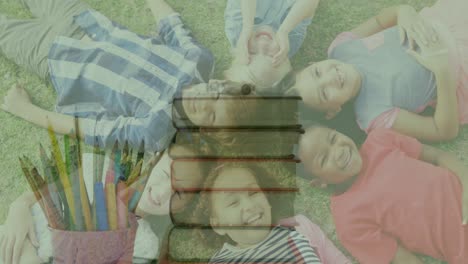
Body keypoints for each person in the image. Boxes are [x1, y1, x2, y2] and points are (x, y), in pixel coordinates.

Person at [0, 0, 257, 152]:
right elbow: (172, 25)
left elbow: (91, 130)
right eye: (216, 95)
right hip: (85, 21)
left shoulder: (155, 130)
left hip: (55, 59)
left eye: (211, 115)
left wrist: (24, 110)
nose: (204, 102)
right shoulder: (199, 61)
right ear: (219, 82)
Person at [288, 0, 468, 142]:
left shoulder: (341, 48)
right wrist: (442, 69)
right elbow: (443, 130)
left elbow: (380, 20)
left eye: (317, 72)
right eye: (324, 93)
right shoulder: (374, 115)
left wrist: (404, 12)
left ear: (314, 62)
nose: (330, 78)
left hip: (449, 17)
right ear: (332, 111)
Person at [0, 145, 203, 264]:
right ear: (153, 162)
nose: (162, 192)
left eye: (180, 193)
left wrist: (27, 253)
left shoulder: (144, 247)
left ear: (182, 208)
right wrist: (17, 208)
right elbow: (34, 196)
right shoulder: (93, 166)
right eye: (166, 175)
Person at [299, 126, 468, 263]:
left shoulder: (380, 139)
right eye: (324, 159)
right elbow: (405, 261)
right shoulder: (348, 221)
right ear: (319, 182)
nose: (338, 152)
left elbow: (439, 156)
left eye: (333, 139)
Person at [191, 164, 351, 263]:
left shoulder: (298, 227)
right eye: (233, 202)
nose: (249, 205)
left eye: (253, 193)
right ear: (218, 225)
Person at [223, 0, 319, 92]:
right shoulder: (291, 40)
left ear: (237, 53)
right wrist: (284, 30)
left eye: (252, 52)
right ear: (285, 59)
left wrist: (247, 26)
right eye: (271, 56)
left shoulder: (236, 29)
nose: (263, 44)